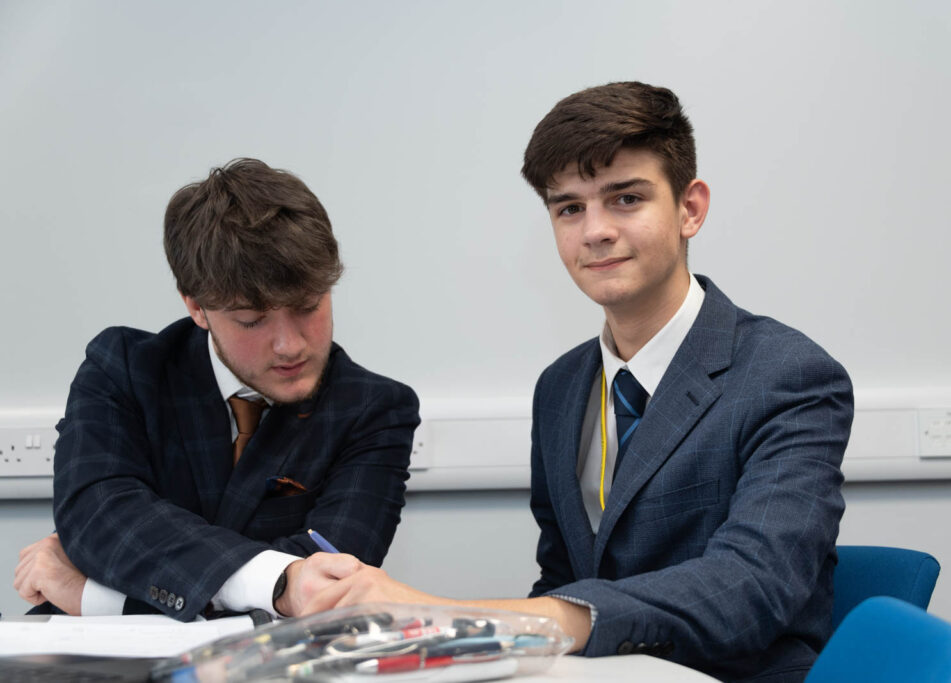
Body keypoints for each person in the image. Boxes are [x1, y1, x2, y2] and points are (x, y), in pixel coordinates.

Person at [297, 82, 854, 683]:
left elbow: (750, 586)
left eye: (625, 199)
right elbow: (562, 579)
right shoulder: (560, 388)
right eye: (569, 208)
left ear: (690, 208)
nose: (594, 231)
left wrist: (461, 619)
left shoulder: (789, 376)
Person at [13, 158, 420, 622]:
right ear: (196, 306)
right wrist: (280, 581)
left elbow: (328, 593)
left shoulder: (375, 409)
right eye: (252, 319)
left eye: (308, 306)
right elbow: (101, 515)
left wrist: (91, 595)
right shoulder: (125, 368)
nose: (290, 345)